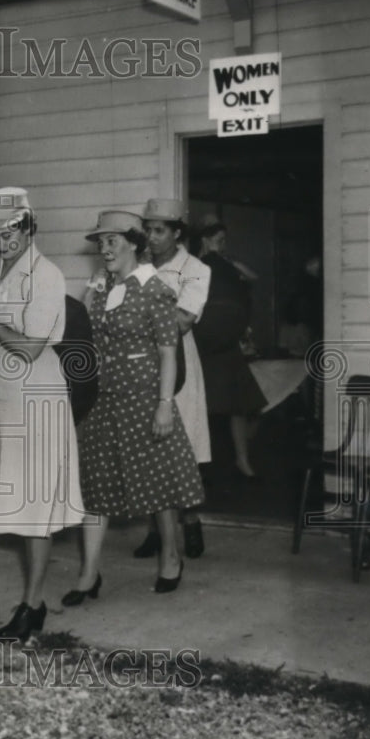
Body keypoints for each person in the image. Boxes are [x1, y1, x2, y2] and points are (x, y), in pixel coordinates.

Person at [0, 187, 85, 642]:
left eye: (10, 230)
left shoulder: (47, 275)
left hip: (36, 399)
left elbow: (27, 348)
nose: (1, 239)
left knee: (34, 507)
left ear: (28, 226)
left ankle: (33, 604)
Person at [65, 210, 205, 603]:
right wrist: (92, 295)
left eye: (112, 241)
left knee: (158, 485)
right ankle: (89, 575)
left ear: (133, 243)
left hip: (144, 397)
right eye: (100, 242)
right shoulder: (100, 287)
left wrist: (164, 405)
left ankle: (171, 557)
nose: (104, 249)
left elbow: (168, 352)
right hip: (102, 398)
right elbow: (84, 336)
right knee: (95, 487)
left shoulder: (155, 289)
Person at [134, 198, 210, 559]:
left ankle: (191, 522)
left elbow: (183, 320)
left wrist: (139, 316)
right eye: (147, 230)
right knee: (150, 447)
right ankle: (156, 530)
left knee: (183, 447)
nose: (151, 237)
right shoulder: (138, 266)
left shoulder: (195, 268)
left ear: (177, 233)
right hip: (142, 364)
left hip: (178, 364)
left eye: (159, 230)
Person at [195, 221, 268, 479]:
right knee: (200, 405)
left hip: (228, 343)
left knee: (238, 404)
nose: (223, 244)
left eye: (225, 239)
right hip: (203, 343)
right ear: (205, 239)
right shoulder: (194, 264)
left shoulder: (226, 264)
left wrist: (226, 257)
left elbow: (253, 277)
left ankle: (242, 460)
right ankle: (196, 465)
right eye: (218, 239)